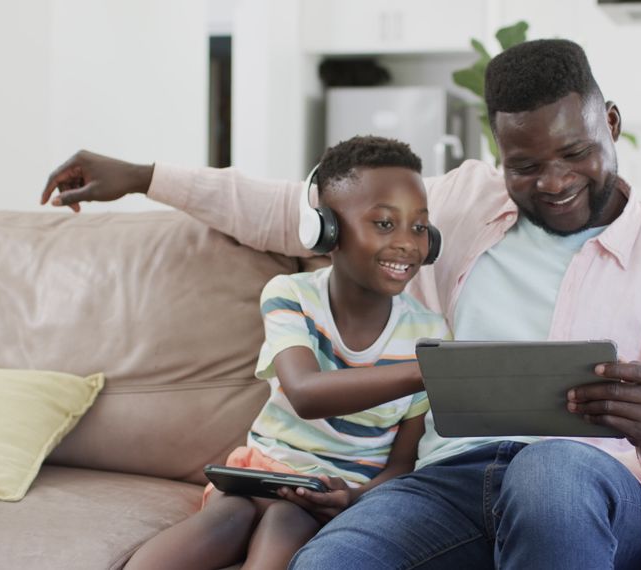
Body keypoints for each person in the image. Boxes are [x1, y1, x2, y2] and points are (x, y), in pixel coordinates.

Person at [42, 40, 641, 569]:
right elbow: (293, 210)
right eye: (526, 165)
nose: (554, 181)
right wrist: (141, 174)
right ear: (499, 151)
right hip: (449, 485)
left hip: (588, 494)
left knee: (550, 470)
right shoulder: (456, 205)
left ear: (611, 124)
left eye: (576, 153)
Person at [120, 136, 450, 570]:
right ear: (325, 230)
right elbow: (306, 393)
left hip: (333, 493)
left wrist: (353, 498)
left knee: (286, 520)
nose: (408, 243)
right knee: (230, 515)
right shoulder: (290, 295)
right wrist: (425, 372)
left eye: (420, 226)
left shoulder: (428, 332)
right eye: (385, 224)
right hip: (261, 471)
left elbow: (402, 464)